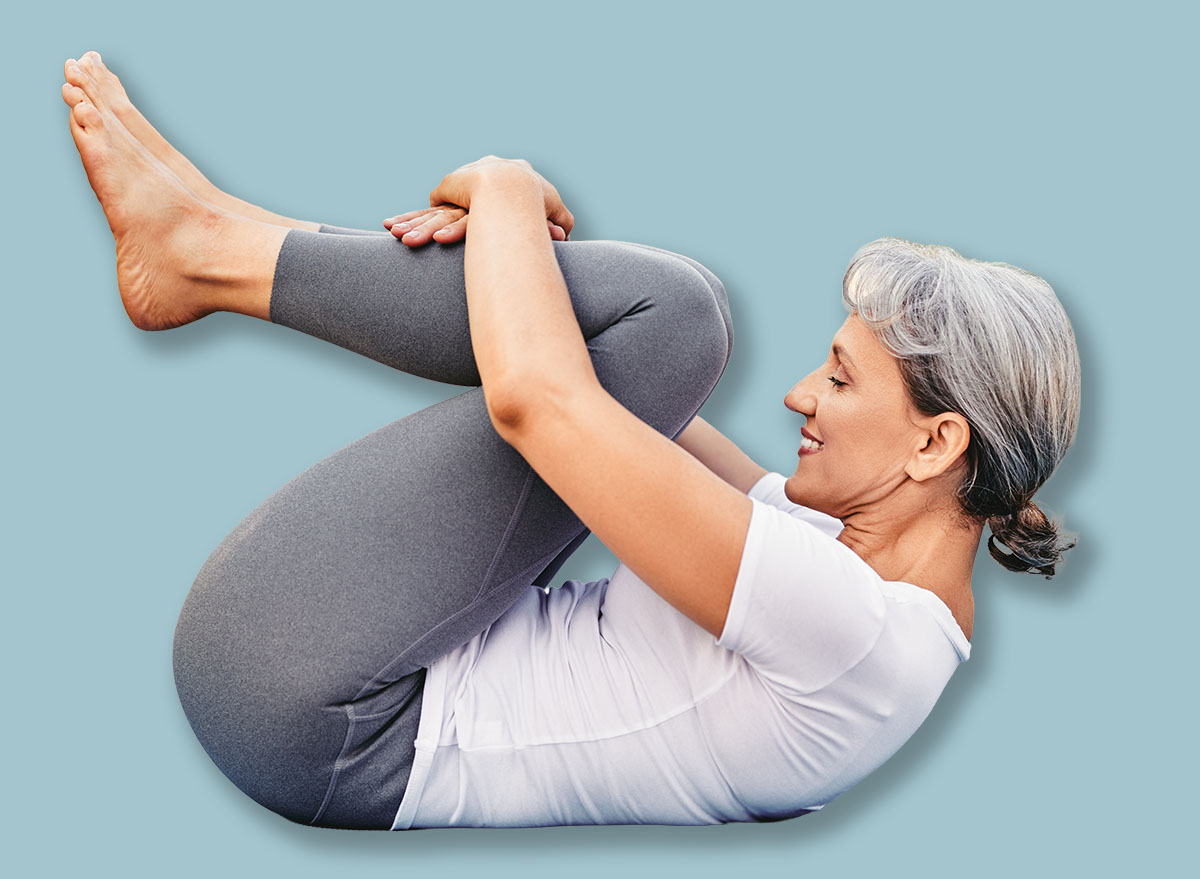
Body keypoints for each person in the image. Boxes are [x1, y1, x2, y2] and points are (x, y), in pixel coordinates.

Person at [62, 51, 1081, 831]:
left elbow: (541, 407)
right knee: (657, 325)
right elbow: (627, 401)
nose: (801, 394)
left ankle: (208, 251)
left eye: (843, 378)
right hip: (341, 674)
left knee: (677, 314)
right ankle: (216, 236)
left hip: (311, 705)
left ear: (936, 444)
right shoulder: (860, 585)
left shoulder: (851, 631)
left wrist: (505, 190)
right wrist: (519, 273)